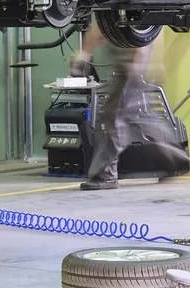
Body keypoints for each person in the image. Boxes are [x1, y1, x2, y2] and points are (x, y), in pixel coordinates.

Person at [70, 17, 173, 191]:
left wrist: (139, 61)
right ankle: (173, 160)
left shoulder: (132, 3)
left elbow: (147, 30)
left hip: (130, 68)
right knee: (137, 121)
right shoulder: (109, 7)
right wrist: (83, 54)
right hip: (127, 67)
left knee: (113, 120)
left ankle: (106, 176)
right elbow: (99, 29)